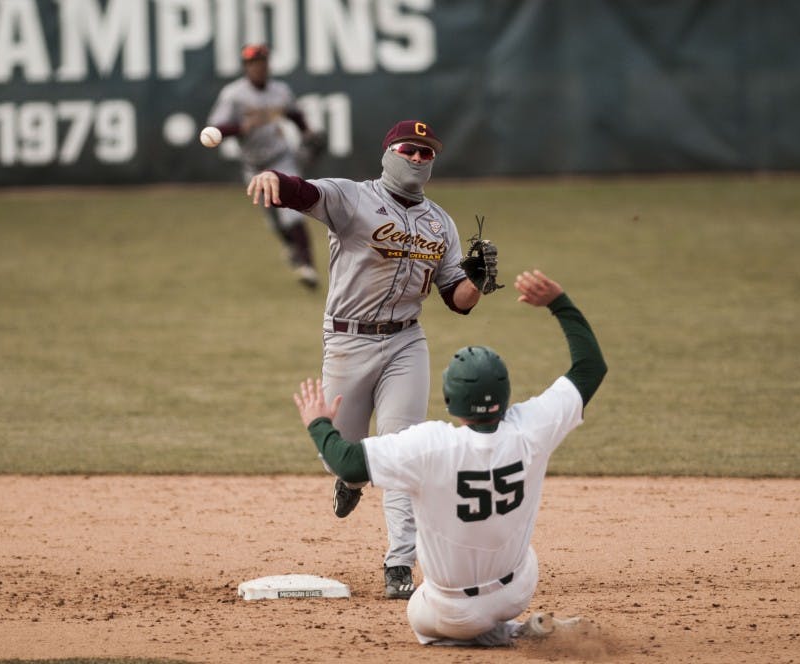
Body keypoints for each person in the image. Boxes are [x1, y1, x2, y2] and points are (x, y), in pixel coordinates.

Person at [248, 120, 500, 599]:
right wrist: (272, 179)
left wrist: (479, 282)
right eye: (411, 149)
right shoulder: (352, 198)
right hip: (348, 341)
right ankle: (351, 478)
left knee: (403, 451)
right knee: (339, 457)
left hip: (407, 343)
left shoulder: (439, 222)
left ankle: (399, 563)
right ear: (389, 152)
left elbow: (458, 300)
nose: (420, 159)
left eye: (428, 154)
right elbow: (302, 192)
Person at [292, 269, 608, 647]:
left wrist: (318, 424)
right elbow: (590, 368)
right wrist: (559, 302)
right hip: (518, 591)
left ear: (450, 400)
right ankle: (512, 624)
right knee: (518, 552)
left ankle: (504, 635)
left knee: (421, 619)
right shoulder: (532, 427)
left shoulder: (428, 446)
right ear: (505, 392)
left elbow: (346, 463)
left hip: (453, 612)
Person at [206, 43, 323, 289]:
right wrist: (240, 128)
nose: (258, 67)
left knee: (291, 212)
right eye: (253, 63)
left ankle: (308, 266)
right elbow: (215, 129)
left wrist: (306, 131)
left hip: (281, 158)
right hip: (253, 165)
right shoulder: (234, 94)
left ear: (268, 65)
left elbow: (294, 114)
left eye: (262, 62)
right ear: (246, 67)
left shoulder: (280, 90)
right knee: (274, 220)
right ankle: (291, 247)